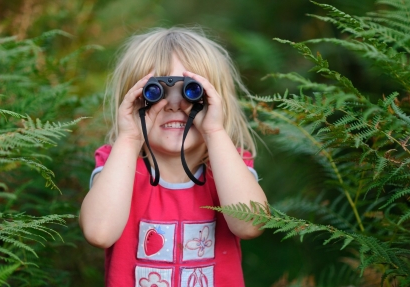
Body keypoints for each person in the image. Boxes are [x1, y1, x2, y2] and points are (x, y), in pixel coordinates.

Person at [79, 26, 268, 287]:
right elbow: (99, 232)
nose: (173, 104)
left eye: (193, 91)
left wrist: (214, 131)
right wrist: (130, 138)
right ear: (132, 100)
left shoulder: (228, 167)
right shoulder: (119, 166)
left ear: (216, 101)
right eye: (154, 92)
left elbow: (251, 225)